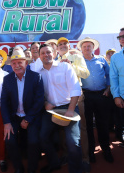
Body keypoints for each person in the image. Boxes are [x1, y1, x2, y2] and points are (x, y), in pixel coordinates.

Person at [39, 43, 82, 173]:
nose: (46, 55)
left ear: (54, 53)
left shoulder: (65, 67)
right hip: (51, 110)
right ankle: (55, 163)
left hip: (69, 107)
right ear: (40, 57)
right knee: (43, 137)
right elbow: (37, 93)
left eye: (48, 52)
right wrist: (45, 103)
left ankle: (76, 170)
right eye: (43, 53)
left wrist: (70, 109)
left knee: (73, 142)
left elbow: (75, 89)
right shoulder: (38, 72)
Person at [1, 50, 44, 173]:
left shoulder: (36, 77)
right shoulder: (7, 79)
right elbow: (3, 102)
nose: (17, 65)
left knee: (33, 142)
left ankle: (32, 168)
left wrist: (27, 119)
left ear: (26, 63)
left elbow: (39, 101)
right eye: (14, 63)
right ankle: (18, 167)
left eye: (20, 62)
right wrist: (7, 122)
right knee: (9, 140)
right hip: (14, 116)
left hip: (31, 116)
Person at [77, 37, 113, 163]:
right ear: (81, 49)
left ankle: (106, 149)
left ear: (93, 48)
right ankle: (90, 151)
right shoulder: (78, 61)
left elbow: (109, 75)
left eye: (89, 46)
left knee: (102, 123)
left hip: (102, 95)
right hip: (86, 96)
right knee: (87, 126)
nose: (87, 48)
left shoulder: (101, 59)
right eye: (84, 46)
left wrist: (108, 88)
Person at [57, 37, 90, 171]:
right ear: (57, 48)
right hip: (61, 98)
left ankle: (85, 159)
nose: (63, 45)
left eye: (65, 43)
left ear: (69, 45)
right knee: (63, 128)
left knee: (81, 128)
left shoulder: (76, 56)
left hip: (76, 96)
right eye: (60, 44)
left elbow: (86, 74)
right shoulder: (55, 60)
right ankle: (67, 154)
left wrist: (72, 66)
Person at [110, 27, 124, 143]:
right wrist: (116, 96)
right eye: (120, 37)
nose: (122, 39)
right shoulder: (115, 57)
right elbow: (113, 78)